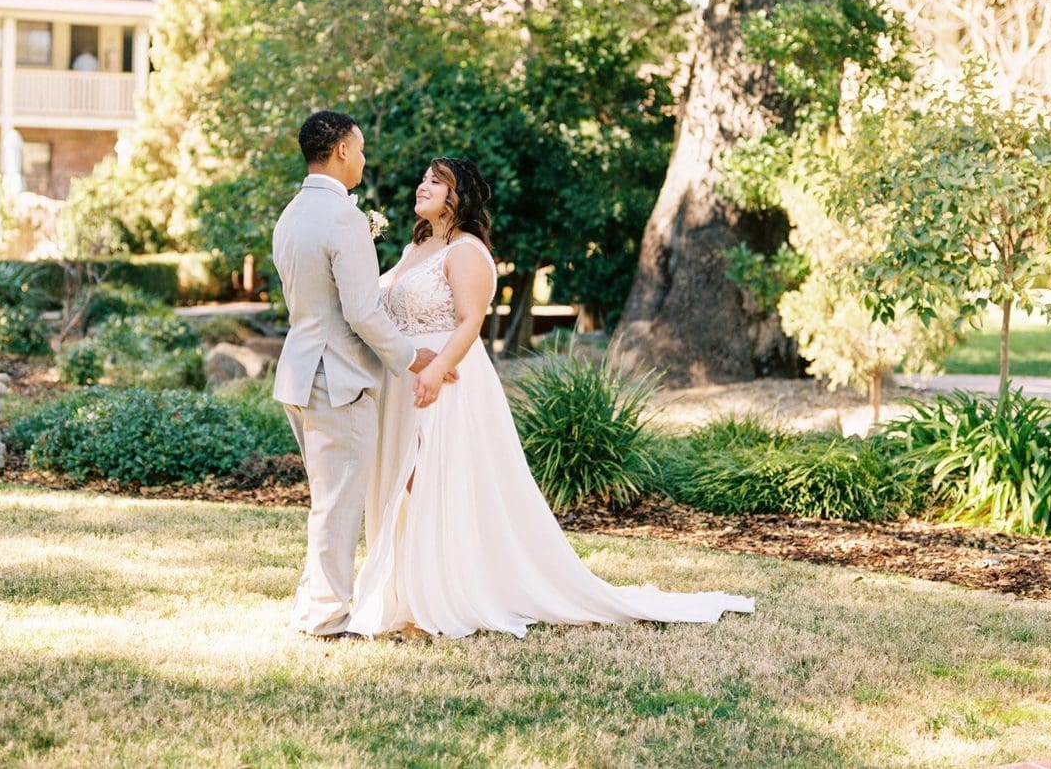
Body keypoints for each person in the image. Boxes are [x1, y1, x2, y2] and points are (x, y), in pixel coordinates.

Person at [348, 157, 755, 639]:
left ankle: (431, 602)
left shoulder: (466, 251)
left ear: (461, 197)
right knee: (404, 482)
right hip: (406, 378)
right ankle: (401, 596)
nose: (422, 186)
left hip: (445, 380)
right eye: (423, 179)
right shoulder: (420, 245)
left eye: (436, 182)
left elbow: (470, 324)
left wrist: (436, 369)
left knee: (427, 484)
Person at [271, 111, 445, 638]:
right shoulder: (343, 217)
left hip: (300, 370)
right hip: (338, 377)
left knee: (328, 497)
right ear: (342, 150)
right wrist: (410, 355)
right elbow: (362, 311)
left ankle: (311, 605)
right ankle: (326, 616)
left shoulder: (292, 214)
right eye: (362, 148)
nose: (365, 159)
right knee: (339, 502)